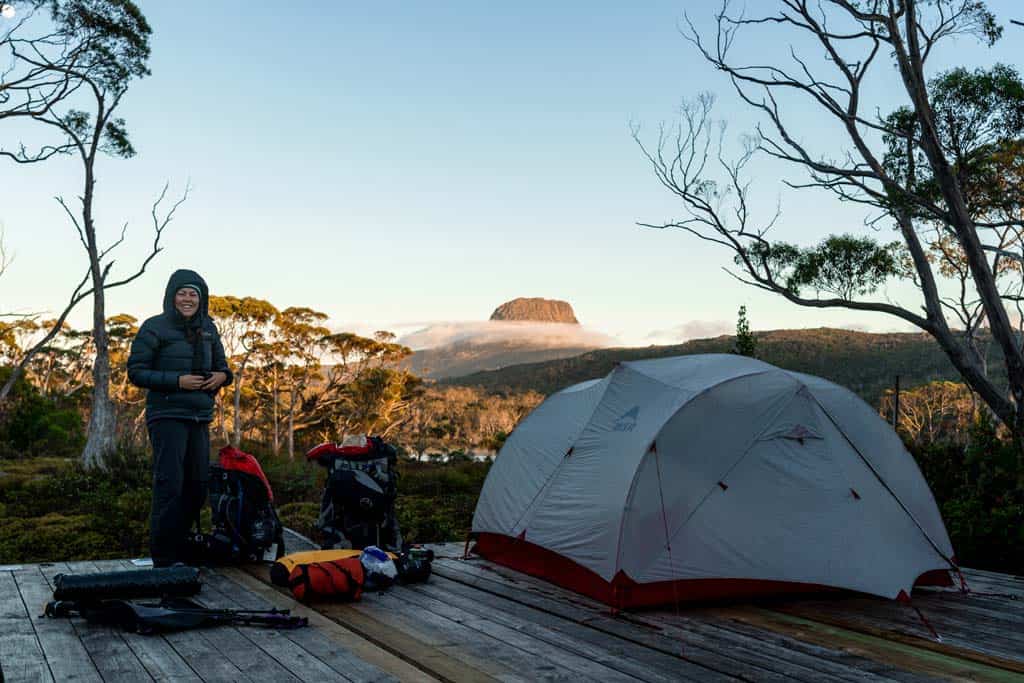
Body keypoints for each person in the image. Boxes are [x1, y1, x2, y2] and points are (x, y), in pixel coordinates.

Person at [127, 269, 233, 567]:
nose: (188, 299)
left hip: (199, 416)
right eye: (182, 293)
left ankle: (183, 549)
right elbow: (136, 372)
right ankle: (164, 559)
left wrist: (222, 376)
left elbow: (224, 367)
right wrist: (177, 381)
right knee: (170, 485)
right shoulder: (154, 327)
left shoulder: (208, 329)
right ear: (171, 297)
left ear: (202, 299)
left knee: (198, 485)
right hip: (167, 415)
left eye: (193, 294)